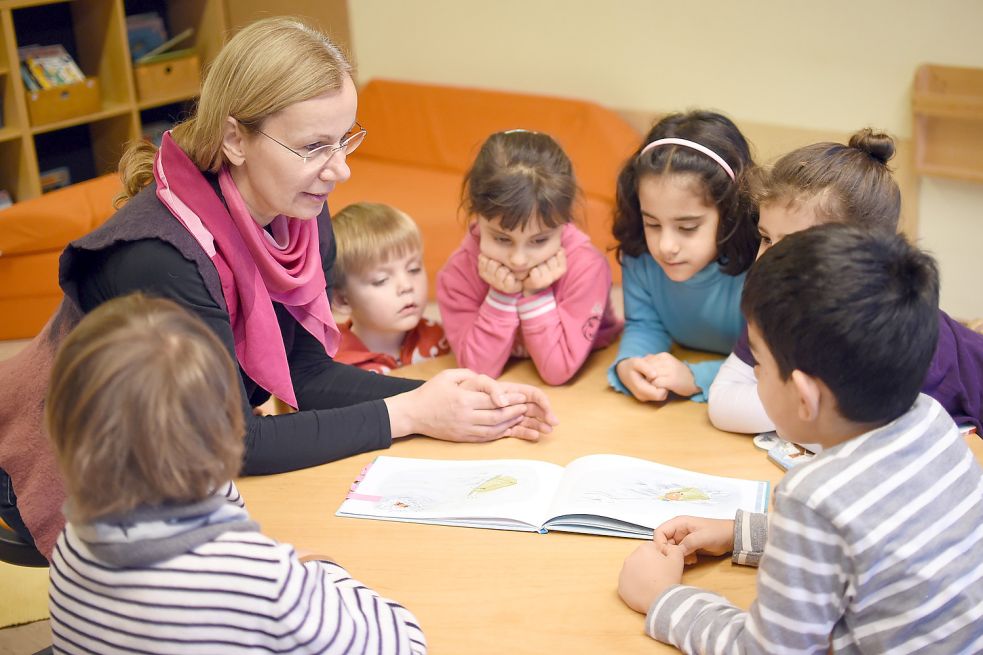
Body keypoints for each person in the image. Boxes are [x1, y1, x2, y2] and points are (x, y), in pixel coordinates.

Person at [0, 16, 557, 560]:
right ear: (235, 139)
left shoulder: (300, 212)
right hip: (60, 461)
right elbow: (231, 443)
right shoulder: (159, 257)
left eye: (345, 140)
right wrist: (411, 414)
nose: (340, 170)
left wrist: (449, 401)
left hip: (181, 453)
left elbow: (304, 374)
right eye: (314, 147)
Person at [618, 225, 983, 653]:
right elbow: (870, 538)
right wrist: (744, 534)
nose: (753, 373)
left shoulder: (813, 499)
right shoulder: (934, 424)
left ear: (805, 397)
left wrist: (663, 598)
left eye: (760, 363)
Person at [46, 294, 428, 654]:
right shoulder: (259, 579)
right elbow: (401, 641)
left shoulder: (70, 547)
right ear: (229, 432)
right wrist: (318, 566)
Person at [708, 129, 983, 435]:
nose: (766, 260)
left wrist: (803, 414)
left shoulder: (892, 333)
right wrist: (807, 413)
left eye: (792, 246)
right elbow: (723, 400)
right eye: (766, 238)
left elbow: (879, 438)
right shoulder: (777, 308)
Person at [437, 129, 622, 385]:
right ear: (476, 214)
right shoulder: (458, 272)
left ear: (564, 220)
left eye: (539, 240)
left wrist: (537, 295)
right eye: (502, 239)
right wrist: (501, 297)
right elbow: (477, 372)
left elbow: (557, 372)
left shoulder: (587, 267)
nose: (519, 260)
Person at [608, 111, 758, 404]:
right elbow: (646, 324)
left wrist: (695, 377)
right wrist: (631, 363)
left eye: (687, 227)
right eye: (652, 223)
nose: (666, 246)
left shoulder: (761, 266)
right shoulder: (640, 255)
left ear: (730, 214)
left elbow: (771, 366)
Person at [330, 202, 449, 373]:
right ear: (342, 300)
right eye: (381, 280)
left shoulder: (444, 338)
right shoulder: (336, 367)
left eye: (413, 269)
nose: (406, 286)